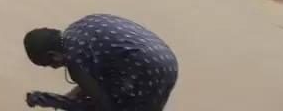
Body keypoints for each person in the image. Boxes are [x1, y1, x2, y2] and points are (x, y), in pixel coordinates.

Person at [24, 14, 178, 110]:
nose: (53, 67)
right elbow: (93, 82)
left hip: (145, 68)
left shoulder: (74, 62)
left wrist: (59, 102)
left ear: (54, 56)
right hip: (166, 60)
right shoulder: (79, 27)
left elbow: (103, 104)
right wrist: (66, 98)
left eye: (49, 64)